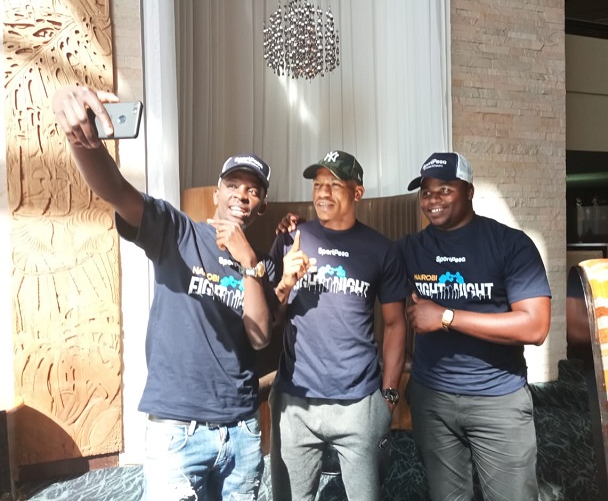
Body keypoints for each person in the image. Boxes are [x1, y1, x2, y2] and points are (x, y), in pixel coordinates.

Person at [52, 85, 277, 501]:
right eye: (233, 184)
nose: (241, 195)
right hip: (178, 430)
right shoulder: (177, 232)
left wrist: (249, 263)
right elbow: (117, 192)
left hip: (242, 429)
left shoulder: (262, 264)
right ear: (217, 193)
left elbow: (261, 336)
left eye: (253, 190)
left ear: (261, 204)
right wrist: (83, 143)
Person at [398, 152, 552, 501]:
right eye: (426, 191)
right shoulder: (411, 248)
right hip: (432, 399)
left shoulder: (510, 245)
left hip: (497, 400)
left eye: (444, 190)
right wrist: (299, 228)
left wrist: (446, 317)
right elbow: (360, 253)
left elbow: (535, 327)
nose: (432, 200)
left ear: (469, 190)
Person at [268, 150, 410, 501]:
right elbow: (267, 314)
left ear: (357, 193)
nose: (322, 193)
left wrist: (388, 396)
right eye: (318, 185)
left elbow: (394, 324)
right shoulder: (291, 239)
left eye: (334, 185)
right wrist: (285, 279)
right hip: (295, 401)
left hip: (359, 402)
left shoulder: (381, 249)